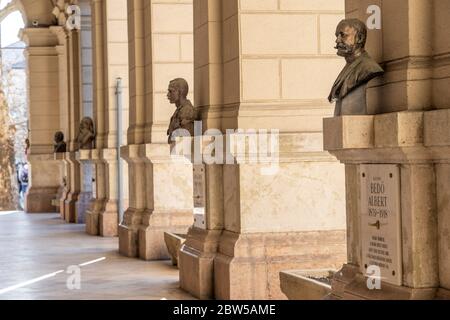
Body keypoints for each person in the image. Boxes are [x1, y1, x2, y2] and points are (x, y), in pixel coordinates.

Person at [328, 19, 384, 116]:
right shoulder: (348, 66)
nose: (337, 40)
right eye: (337, 36)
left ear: (360, 38)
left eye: (343, 35)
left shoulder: (368, 67)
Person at [166, 78, 197, 144]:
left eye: (171, 91)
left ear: (180, 92)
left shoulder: (187, 111)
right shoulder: (179, 111)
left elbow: (185, 139)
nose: (168, 95)